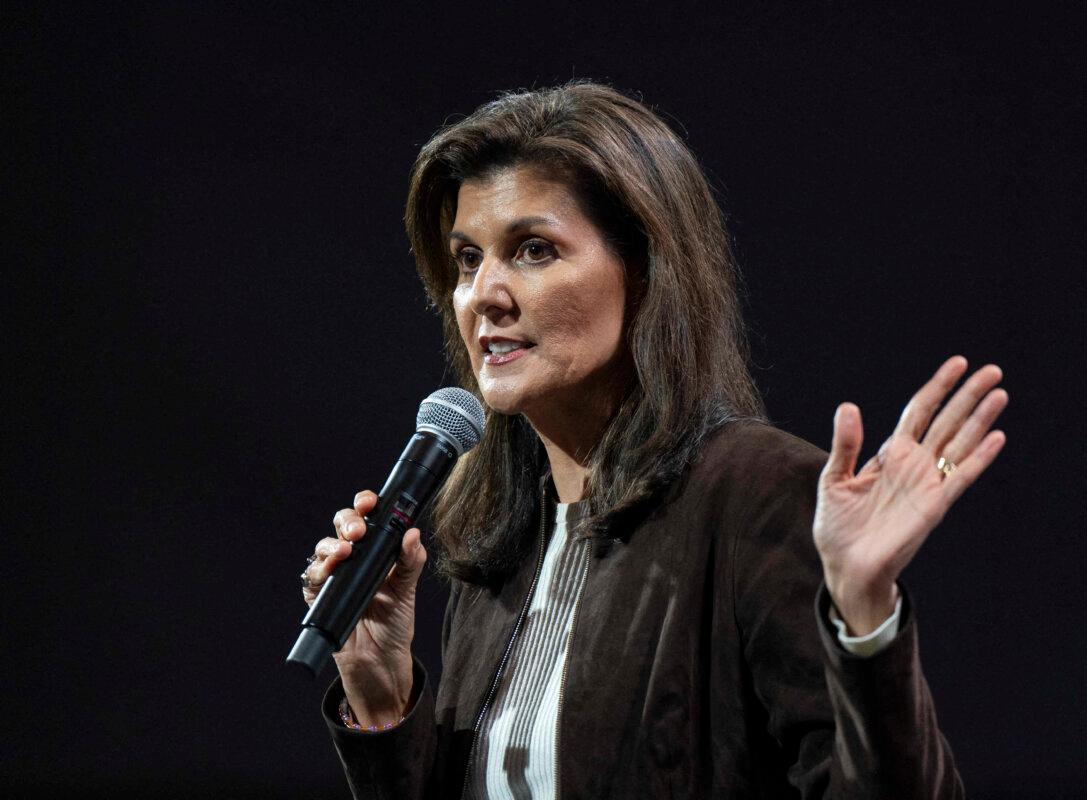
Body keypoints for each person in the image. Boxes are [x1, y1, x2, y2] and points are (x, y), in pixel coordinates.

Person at [300, 82, 1008, 799]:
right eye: (467, 259)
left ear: (645, 272)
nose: (484, 293)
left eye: (534, 249)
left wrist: (864, 619)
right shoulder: (497, 557)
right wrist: (384, 705)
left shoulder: (756, 497)